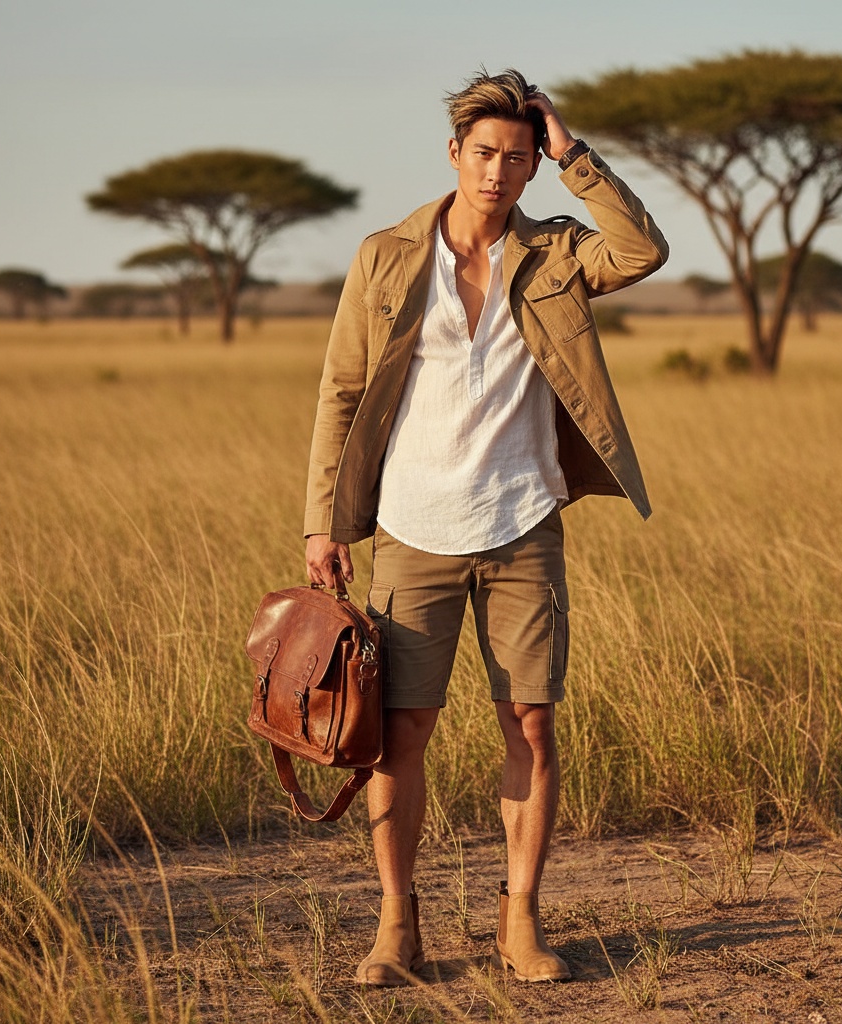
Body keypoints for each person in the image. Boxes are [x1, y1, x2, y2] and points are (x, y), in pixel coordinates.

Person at [303, 68, 668, 986]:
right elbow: (341, 390)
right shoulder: (387, 256)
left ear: (531, 163)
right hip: (409, 527)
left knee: (532, 726)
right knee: (399, 735)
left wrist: (574, 155)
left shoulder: (556, 253)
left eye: (517, 157)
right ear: (454, 155)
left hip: (522, 525)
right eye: (484, 154)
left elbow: (644, 249)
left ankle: (520, 924)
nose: (499, 172)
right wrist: (324, 523)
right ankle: (396, 928)